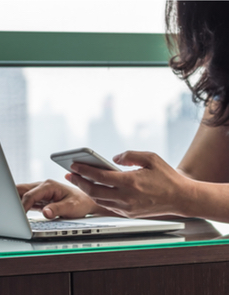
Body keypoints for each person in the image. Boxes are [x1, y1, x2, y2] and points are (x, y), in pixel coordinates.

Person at [17, 0, 229, 223]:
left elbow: (185, 194)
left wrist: (180, 194)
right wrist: (93, 198)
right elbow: (196, 180)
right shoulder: (223, 91)